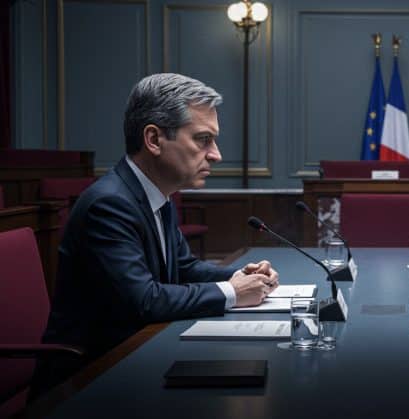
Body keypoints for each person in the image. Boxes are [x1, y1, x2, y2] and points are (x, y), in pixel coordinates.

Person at [39, 73, 279, 386]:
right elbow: (144, 301)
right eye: (203, 139)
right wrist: (233, 292)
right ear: (153, 139)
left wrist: (241, 276)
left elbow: (183, 267)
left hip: (140, 356)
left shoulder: (156, 194)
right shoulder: (109, 204)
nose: (216, 154)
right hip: (89, 379)